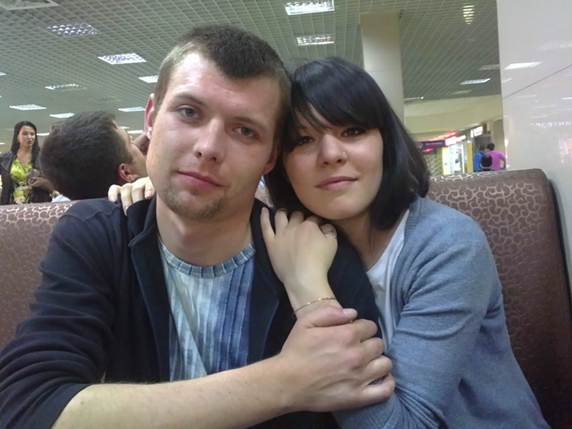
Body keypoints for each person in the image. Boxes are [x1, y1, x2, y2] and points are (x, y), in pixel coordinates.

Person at [0, 26, 394, 429]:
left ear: (270, 157)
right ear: (151, 117)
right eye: (189, 112)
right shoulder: (99, 235)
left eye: (245, 131)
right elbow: (27, 407)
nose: (208, 147)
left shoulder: (317, 254)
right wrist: (286, 380)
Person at [260, 57, 548, 427]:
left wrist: (306, 286)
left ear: (386, 143)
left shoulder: (448, 245)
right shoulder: (289, 243)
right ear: (280, 165)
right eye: (303, 140)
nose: (331, 154)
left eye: (352, 131)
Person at [39, 111, 147, 200]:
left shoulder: (57, 209)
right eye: (131, 142)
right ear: (126, 173)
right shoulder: (149, 209)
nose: (138, 146)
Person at [0, 121, 53, 204]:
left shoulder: (44, 157)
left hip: (38, 205)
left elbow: (57, 187)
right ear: (17, 136)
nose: (29, 137)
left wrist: (43, 183)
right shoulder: (5, 159)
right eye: (25, 134)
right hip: (10, 205)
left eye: (32, 134)